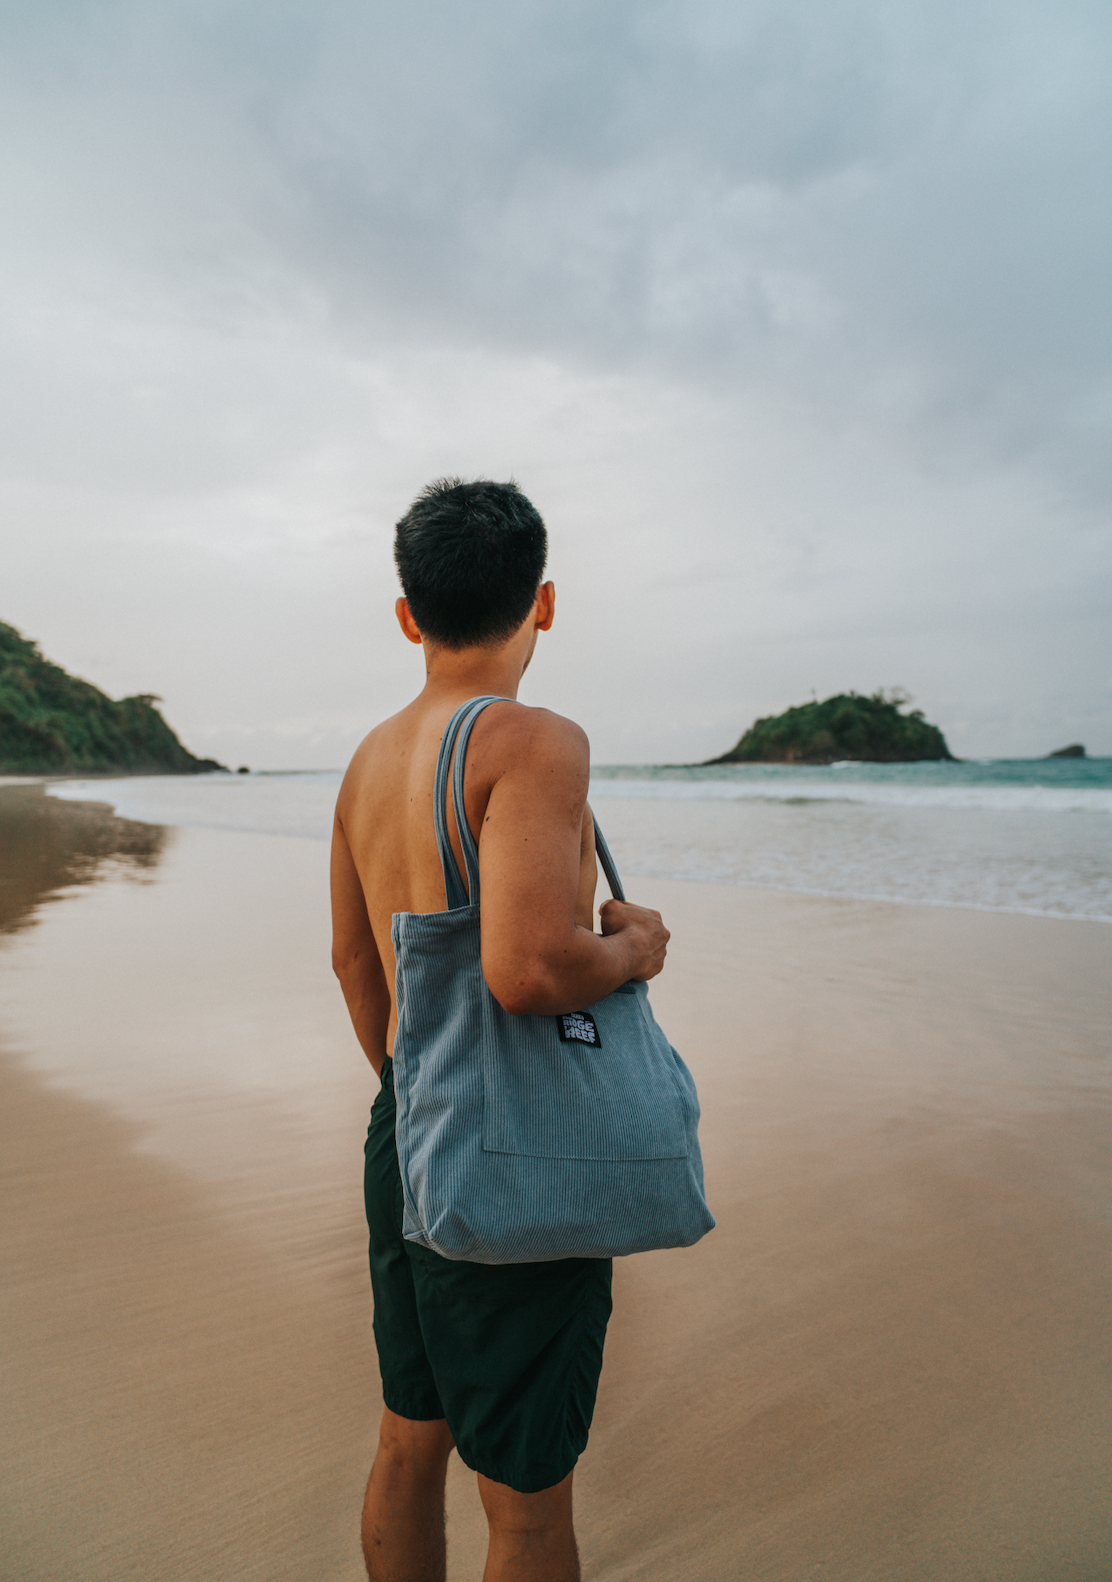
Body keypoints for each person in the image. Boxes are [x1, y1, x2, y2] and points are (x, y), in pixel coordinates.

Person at [330, 478, 671, 1582]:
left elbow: (351, 958)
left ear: (406, 613)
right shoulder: (532, 740)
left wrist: (415, 1091)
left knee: (408, 1436)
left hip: (408, 1128)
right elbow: (527, 968)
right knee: (524, 1503)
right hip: (512, 1143)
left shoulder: (369, 760)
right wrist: (631, 949)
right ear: (544, 602)